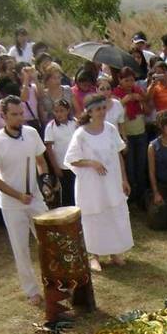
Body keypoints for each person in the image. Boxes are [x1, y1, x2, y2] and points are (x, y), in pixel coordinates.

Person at [0, 95, 50, 306]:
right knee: (21, 248)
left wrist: (44, 181)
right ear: (3, 116)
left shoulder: (31, 133)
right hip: (12, 205)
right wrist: (18, 195)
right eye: (14, 115)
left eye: (21, 113)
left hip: (35, 199)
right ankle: (32, 291)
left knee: (48, 243)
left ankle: (55, 283)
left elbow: (41, 161)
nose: (20, 118)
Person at [64, 93, 133, 271]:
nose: (101, 112)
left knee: (112, 213)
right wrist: (91, 163)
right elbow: (72, 160)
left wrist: (124, 179)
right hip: (91, 185)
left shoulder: (110, 129)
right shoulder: (81, 134)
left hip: (111, 181)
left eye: (103, 108)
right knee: (93, 217)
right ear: (89, 112)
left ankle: (114, 251)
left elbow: (118, 154)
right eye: (97, 109)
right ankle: (93, 255)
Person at [113, 66, 149, 205]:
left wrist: (141, 99)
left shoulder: (138, 91)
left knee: (141, 164)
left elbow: (146, 110)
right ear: (120, 80)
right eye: (126, 80)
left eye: (132, 80)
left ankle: (142, 195)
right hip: (126, 134)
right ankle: (131, 195)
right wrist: (124, 101)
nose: (130, 83)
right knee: (130, 166)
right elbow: (115, 113)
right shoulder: (116, 93)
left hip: (140, 131)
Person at [44, 98, 77, 208]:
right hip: (62, 165)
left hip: (76, 163)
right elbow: (49, 149)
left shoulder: (75, 123)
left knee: (77, 189)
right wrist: (56, 167)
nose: (59, 114)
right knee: (67, 192)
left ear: (68, 111)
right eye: (56, 111)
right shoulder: (51, 127)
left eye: (62, 110)